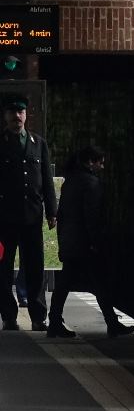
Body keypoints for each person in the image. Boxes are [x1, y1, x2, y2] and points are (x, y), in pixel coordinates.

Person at [46, 145, 134, 339]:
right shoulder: (91, 184)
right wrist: (96, 241)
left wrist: (62, 242)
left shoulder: (69, 182)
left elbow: (63, 214)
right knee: (99, 283)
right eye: (100, 162)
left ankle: (54, 321)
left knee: (66, 284)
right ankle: (111, 323)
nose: (102, 167)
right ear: (90, 162)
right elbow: (92, 216)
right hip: (85, 243)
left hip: (71, 241)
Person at [0, 92, 56, 330]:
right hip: (3, 220)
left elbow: (46, 179)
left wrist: (52, 211)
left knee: (35, 267)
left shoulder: (38, 143)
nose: (17, 117)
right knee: (2, 268)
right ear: (5, 116)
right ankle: (9, 316)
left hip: (32, 217)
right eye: (13, 113)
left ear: (26, 115)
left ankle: (37, 316)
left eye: (21, 112)